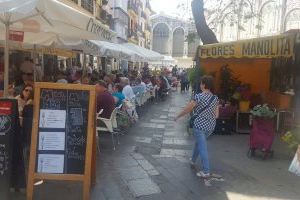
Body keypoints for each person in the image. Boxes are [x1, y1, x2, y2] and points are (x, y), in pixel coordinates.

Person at [175, 75, 219, 178]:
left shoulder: (199, 96)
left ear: (203, 85)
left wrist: (178, 116)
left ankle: (206, 171)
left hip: (199, 126)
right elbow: (216, 115)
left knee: (202, 147)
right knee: (199, 143)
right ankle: (193, 160)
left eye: (201, 83)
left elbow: (188, 109)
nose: (200, 85)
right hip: (210, 127)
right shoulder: (215, 98)